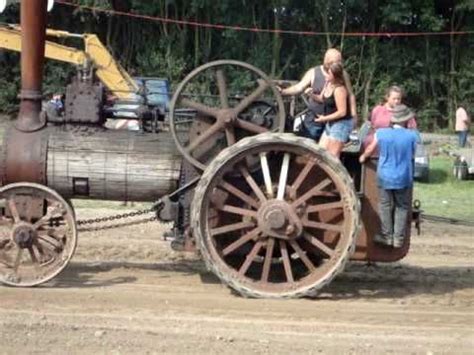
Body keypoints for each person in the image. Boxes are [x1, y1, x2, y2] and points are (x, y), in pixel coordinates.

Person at [359, 104, 418, 248]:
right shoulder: (412, 135)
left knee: (385, 205)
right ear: (405, 120)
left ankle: (387, 236)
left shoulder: (381, 133)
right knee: (402, 207)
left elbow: (370, 149)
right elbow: (413, 153)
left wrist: (362, 158)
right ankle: (398, 238)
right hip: (404, 176)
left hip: (385, 175)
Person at [278, 48, 358, 140]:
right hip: (314, 120)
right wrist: (283, 92)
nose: (340, 64)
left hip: (334, 122)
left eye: (340, 61)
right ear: (328, 62)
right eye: (338, 61)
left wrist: (353, 114)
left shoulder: (343, 75)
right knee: (309, 147)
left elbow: (351, 95)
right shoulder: (313, 72)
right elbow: (298, 87)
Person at [312, 62, 353, 158]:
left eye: (328, 73)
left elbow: (342, 112)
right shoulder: (328, 84)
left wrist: (324, 118)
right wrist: (311, 94)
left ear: (335, 76)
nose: (325, 75)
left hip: (341, 124)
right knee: (320, 152)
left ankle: (337, 173)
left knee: (332, 157)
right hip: (330, 123)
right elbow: (321, 99)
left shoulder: (340, 90)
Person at [363, 85, 417, 150]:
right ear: (387, 97)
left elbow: (412, 130)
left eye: (398, 99)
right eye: (394, 99)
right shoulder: (377, 110)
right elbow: (371, 127)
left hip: (397, 144)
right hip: (376, 142)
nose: (396, 101)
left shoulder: (404, 111)